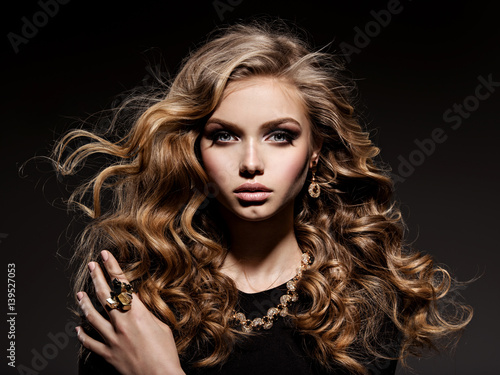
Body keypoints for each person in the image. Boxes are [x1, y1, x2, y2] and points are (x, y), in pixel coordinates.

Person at [49, 20, 472, 375]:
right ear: (195, 150)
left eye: (279, 136)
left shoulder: (365, 302)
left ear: (314, 153)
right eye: (225, 136)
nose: (251, 162)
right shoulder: (138, 287)